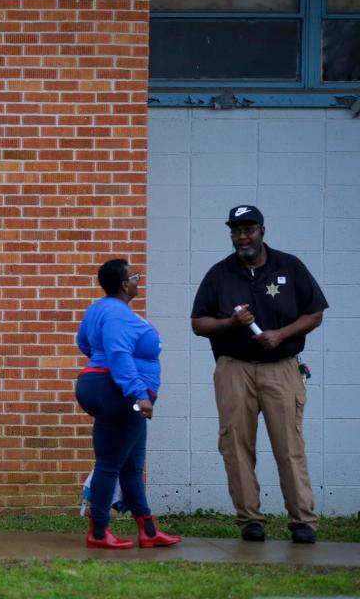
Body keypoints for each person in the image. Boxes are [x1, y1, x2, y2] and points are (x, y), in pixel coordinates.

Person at [191, 205, 327, 545]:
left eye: (248, 229)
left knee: (289, 446)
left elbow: (315, 313)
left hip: (281, 368)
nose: (242, 237)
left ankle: (302, 522)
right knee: (235, 446)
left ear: (262, 230)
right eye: (236, 231)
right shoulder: (219, 274)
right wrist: (229, 324)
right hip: (234, 368)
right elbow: (198, 323)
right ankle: (250, 519)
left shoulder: (290, 266)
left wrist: (280, 335)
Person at [75, 258, 181, 549]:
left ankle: (148, 530)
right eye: (134, 276)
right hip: (117, 391)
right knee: (110, 464)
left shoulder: (98, 309)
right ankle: (98, 533)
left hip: (101, 384)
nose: (138, 279)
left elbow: (84, 342)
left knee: (131, 466)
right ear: (124, 284)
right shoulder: (118, 314)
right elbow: (119, 354)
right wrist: (139, 393)